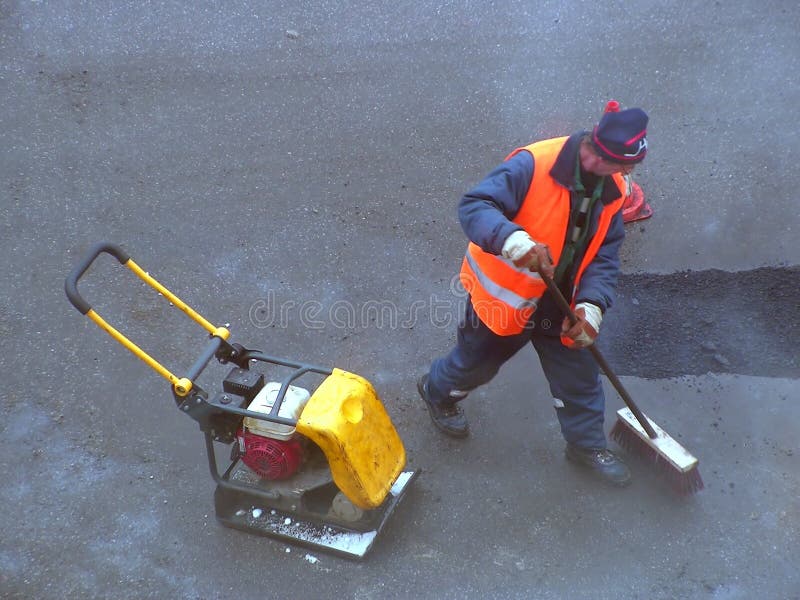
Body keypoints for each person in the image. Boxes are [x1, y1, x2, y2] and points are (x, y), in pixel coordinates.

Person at [418, 102, 648, 487]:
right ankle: (437, 390)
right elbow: (475, 205)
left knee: (579, 376)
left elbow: (604, 255)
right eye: (624, 165)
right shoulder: (534, 164)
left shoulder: (615, 190)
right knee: (476, 365)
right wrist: (510, 239)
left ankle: (585, 444)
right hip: (507, 300)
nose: (628, 174)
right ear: (598, 151)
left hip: (563, 302)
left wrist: (591, 306)